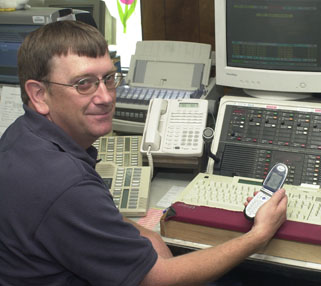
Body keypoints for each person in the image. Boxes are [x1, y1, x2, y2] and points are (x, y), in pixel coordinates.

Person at [0, 20, 287, 285]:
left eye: (109, 78)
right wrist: (258, 236)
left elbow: (94, 219)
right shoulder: (66, 183)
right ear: (39, 95)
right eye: (83, 84)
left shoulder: (21, 135)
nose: (105, 97)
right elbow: (158, 279)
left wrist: (147, 236)